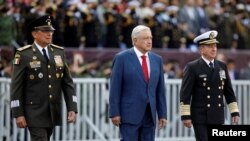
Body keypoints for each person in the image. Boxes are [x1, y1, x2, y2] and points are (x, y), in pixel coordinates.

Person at [10, 15, 78, 141]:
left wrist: (72, 107)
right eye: (45, 31)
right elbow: (16, 86)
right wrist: (18, 113)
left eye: (51, 31)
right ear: (35, 34)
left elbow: (67, 82)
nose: (49, 34)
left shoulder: (58, 53)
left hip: (52, 111)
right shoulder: (24, 54)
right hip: (33, 112)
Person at [109, 25, 167, 141]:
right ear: (135, 40)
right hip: (129, 115)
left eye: (150, 38)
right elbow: (115, 88)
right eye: (145, 38)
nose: (149, 41)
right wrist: (114, 112)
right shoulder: (122, 58)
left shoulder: (157, 60)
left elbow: (160, 90)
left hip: (150, 115)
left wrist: (162, 114)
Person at [179, 30, 240, 141]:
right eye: (210, 46)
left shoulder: (222, 66)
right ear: (201, 49)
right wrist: (185, 115)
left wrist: (234, 112)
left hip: (217, 115)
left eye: (215, 46)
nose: (214, 49)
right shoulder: (192, 67)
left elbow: (228, 91)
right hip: (200, 116)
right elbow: (185, 93)